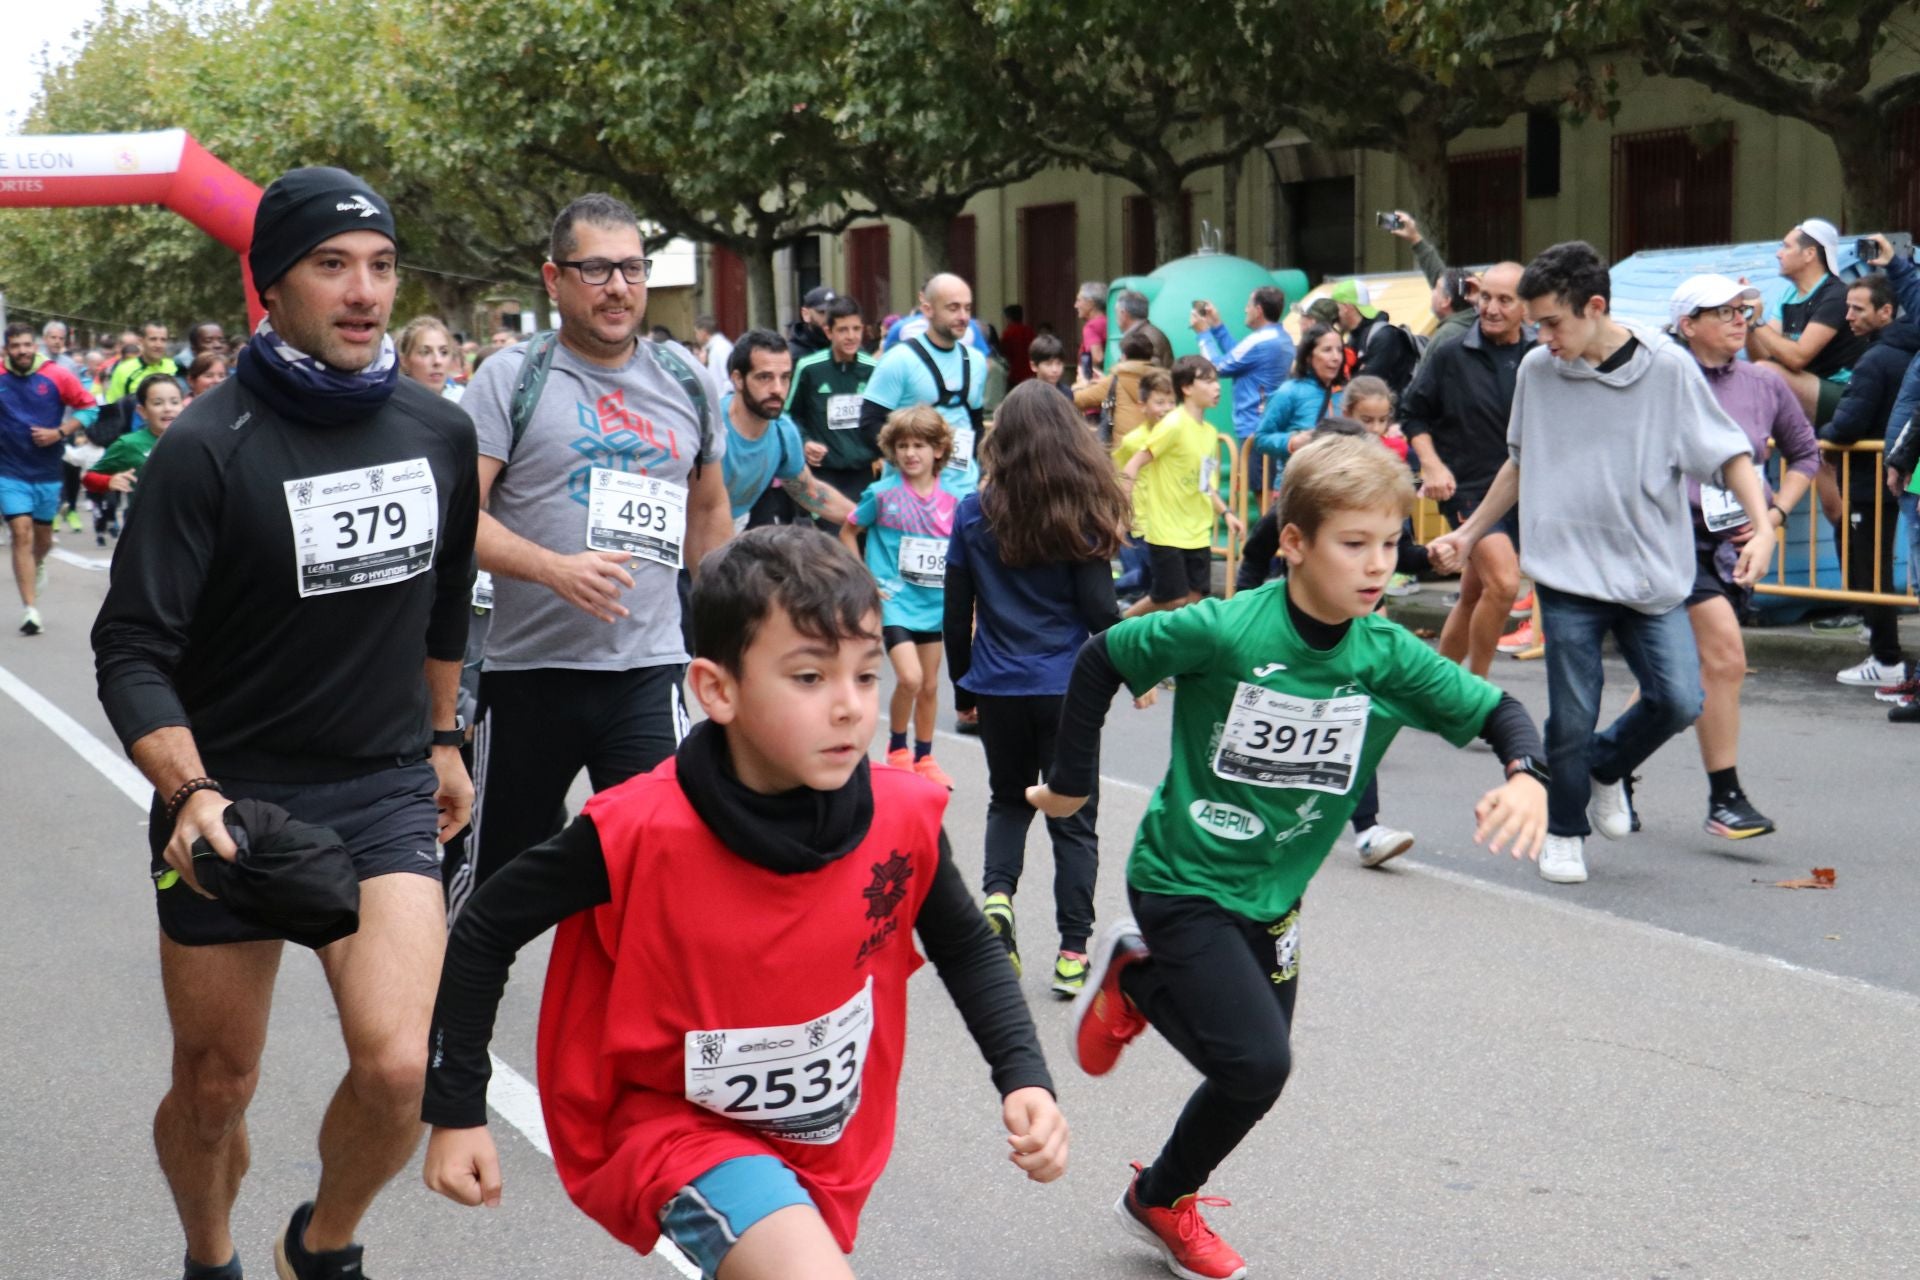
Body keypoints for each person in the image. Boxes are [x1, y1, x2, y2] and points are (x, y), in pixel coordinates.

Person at [419, 526, 1066, 1276]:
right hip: (671, 1127)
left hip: (826, 1141)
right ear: (716, 690)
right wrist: (457, 1106)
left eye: (864, 676)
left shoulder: (902, 814)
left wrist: (1025, 1076)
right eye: (809, 677)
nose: (851, 707)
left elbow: (965, 945)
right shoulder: (638, 829)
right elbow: (488, 926)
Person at [1030, 433, 1548, 1280]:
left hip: (1275, 892)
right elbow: (1101, 660)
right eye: (1355, 544)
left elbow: (1500, 714)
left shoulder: (1384, 655)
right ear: (1297, 542)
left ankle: (1160, 1194)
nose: (1379, 565)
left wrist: (1526, 777)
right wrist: (1071, 786)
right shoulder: (1227, 629)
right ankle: (1142, 975)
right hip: (1182, 875)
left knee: (1255, 1076)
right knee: (1258, 1060)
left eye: (1390, 543)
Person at [90, 165, 480, 1280]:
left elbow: (445, 595)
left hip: (381, 781)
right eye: (331, 265)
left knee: (402, 1064)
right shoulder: (207, 446)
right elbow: (131, 649)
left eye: (382, 266)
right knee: (217, 1085)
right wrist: (188, 788)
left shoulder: (436, 431)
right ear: (272, 285)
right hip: (232, 793)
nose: (364, 291)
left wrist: (444, 735)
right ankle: (210, 1255)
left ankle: (321, 1242)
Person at [1428, 241, 1775, 885]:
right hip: (1566, 570)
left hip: (1649, 572)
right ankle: (1565, 831)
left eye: (1553, 323)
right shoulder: (1538, 370)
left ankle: (1604, 767)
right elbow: (1519, 460)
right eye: (1536, 326)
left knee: (1677, 700)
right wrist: (1472, 532)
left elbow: (1728, 453)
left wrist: (1762, 529)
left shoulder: (1666, 368)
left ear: (1594, 307)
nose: (1543, 338)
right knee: (1572, 708)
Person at [450, 192, 731, 916]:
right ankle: (450, 1030)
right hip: (529, 674)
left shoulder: (688, 382)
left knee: (666, 872)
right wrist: (553, 568)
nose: (618, 287)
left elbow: (708, 514)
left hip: (648, 668)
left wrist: (739, 637)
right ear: (554, 279)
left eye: (632, 269)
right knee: (491, 886)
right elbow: (458, 520)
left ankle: (643, 1031)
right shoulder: (510, 379)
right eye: (597, 268)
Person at [944, 382, 1131, 995]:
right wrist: (1138, 670)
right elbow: (1101, 610)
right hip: (1069, 688)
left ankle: (998, 899)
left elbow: (956, 612)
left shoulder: (973, 511)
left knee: (1008, 801)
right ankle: (1073, 953)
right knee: (1074, 818)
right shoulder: (1079, 509)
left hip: (998, 684)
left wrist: (961, 686)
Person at [1665, 275, 1819, 838]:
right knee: (1725, 657)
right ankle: (1725, 797)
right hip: (1671, 540)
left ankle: (1610, 765)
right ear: (1688, 325)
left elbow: (1805, 455)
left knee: (1675, 675)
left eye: (1744, 310)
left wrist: (1770, 522)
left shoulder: (1763, 382)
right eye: (1723, 311)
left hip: (1736, 547)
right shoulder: (1661, 380)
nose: (1739, 320)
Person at [1400, 261, 1534, 677]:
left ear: (1526, 307)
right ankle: (1475, 691)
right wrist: (1433, 466)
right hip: (1469, 488)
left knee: (1474, 593)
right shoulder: (1451, 352)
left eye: (1504, 300)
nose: (1491, 308)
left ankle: (1436, 690)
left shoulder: (1541, 354)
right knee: (1505, 584)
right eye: (1485, 297)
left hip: (1523, 490)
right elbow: (1412, 414)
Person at [841, 406, 960, 788]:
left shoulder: (954, 501)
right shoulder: (882, 494)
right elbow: (848, 532)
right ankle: (897, 751)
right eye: (903, 445)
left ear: (938, 450)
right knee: (909, 678)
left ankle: (925, 756)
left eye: (920, 445)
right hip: (894, 603)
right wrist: (864, 578)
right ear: (892, 450)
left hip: (935, 604)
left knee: (929, 685)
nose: (911, 453)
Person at [1820, 250, 1920, 690]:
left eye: (1858, 309)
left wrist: (1820, 433)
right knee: (1878, 569)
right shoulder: (1901, 354)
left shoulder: (1877, 360)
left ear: (1886, 312)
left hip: (1871, 477)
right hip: (1892, 473)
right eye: (1847, 308)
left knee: (1871, 572)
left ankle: (1886, 658)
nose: (1849, 317)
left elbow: (1848, 424)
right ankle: (1885, 653)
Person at [1120, 355, 1243, 617]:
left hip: (1197, 531)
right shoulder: (1173, 424)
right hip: (1167, 531)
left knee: (1195, 598)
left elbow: (1204, 484)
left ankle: (1174, 652)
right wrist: (1122, 514)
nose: (1217, 387)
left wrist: (1227, 513)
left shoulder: (1210, 432)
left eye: (1217, 381)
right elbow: (1133, 464)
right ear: (1186, 388)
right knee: (1171, 597)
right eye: (1208, 381)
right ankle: (1116, 624)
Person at [2, 321, 97, 634]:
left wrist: (59, 432)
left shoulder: (56, 374)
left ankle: (39, 563)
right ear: (6, 350)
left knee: (41, 540)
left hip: (47, 471)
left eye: (27, 345)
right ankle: (31, 610)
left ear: (35, 346)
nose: (22, 351)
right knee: (20, 531)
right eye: (15, 346)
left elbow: (88, 408)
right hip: (9, 470)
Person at [860, 273, 985, 496]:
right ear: (927, 309)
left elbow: (976, 426)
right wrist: (911, 460)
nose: (963, 316)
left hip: (963, 493)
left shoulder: (976, 362)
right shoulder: (899, 360)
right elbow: (869, 424)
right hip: (908, 497)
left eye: (967, 308)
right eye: (953, 308)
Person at [720, 329, 856, 530]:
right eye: (765, 377)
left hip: (732, 530)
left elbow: (810, 492)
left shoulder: (783, 432)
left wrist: (869, 519)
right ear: (738, 379)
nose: (778, 389)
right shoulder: (711, 429)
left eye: (784, 378)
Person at [1747, 218, 1868, 427]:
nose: (1778, 254)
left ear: (1809, 254)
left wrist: (1758, 322)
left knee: (1764, 373)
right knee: (1753, 371)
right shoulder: (1788, 294)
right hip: (1808, 386)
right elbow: (1763, 356)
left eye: (1786, 246)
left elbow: (1797, 358)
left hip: (1842, 392)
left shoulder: (1836, 295)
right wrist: (1749, 321)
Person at [787, 295, 881, 531]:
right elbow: (788, 416)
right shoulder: (809, 368)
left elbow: (884, 417)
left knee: (862, 540)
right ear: (829, 332)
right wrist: (805, 442)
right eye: (843, 330)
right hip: (824, 474)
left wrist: (883, 452)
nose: (851, 336)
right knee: (830, 549)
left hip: (864, 473)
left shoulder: (872, 369)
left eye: (856, 329)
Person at [1191, 286, 1294, 442]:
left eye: (1248, 305)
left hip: (1254, 429)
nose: (1246, 310)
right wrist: (1217, 326)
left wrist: (1203, 334)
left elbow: (1215, 367)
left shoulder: (1259, 340)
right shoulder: (1282, 336)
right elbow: (1239, 359)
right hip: (1272, 425)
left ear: (1258, 310)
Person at [82, 371, 185, 521]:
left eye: (174, 402)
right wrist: (109, 481)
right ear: (142, 411)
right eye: (158, 403)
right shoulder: (128, 444)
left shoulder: (196, 440)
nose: (167, 408)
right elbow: (89, 478)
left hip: (191, 527)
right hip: (146, 528)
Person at [1251, 324, 1345, 472]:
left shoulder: (1346, 393)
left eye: (1340, 350)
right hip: (1298, 485)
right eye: (1327, 350)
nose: (1336, 358)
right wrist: (1293, 442)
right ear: (1308, 357)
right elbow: (1261, 439)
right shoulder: (1289, 392)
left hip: (1337, 485)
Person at [1328, 279, 1420, 395]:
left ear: (1347, 307)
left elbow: (1366, 384)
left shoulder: (1385, 336)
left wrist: (1357, 376)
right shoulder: (1354, 337)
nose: (1335, 316)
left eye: (1336, 309)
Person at [1073, 330, 1161, 439]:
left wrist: (1080, 384)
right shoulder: (1162, 380)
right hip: (1157, 446)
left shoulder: (1116, 380)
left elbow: (1078, 400)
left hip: (1123, 450)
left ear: (1124, 356)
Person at [105, 321, 180, 403]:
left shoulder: (175, 367)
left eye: (163, 340)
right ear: (141, 341)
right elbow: (113, 407)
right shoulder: (123, 370)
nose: (158, 345)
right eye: (153, 339)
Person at [396, 315, 465, 403]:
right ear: (404, 361)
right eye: (425, 352)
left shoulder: (464, 400)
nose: (437, 361)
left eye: (444, 352)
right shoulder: (393, 404)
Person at [1116, 289, 1174, 367]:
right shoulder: (1148, 333)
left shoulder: (1144, 339)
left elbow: (1151, 373)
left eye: (1116, 313)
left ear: (1123, 313)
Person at [788, 284, 838, 363]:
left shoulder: (849, 349)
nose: (829, 318)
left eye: (834, 312)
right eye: (822, 312)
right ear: (806, 314)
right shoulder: (792, 356)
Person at [1075, 281, 1109, 379]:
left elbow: (1097, 358)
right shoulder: (1108, 322)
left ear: (1090, 303)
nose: (1075, 305)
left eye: (1079, 300)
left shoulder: (1091, 327)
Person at [1027, 333, 1073, 399]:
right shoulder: (1027, 395)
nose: (1055, 370)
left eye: (1059, 363)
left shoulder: (1067, 393)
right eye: (1048, 364)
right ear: (1034, 366)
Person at [1001, 303, 1035, 384]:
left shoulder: (1008, 333)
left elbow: (1004, 354)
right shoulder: (1030, 331)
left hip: (1014, 375)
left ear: (1009, 317)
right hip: (1030, 374)